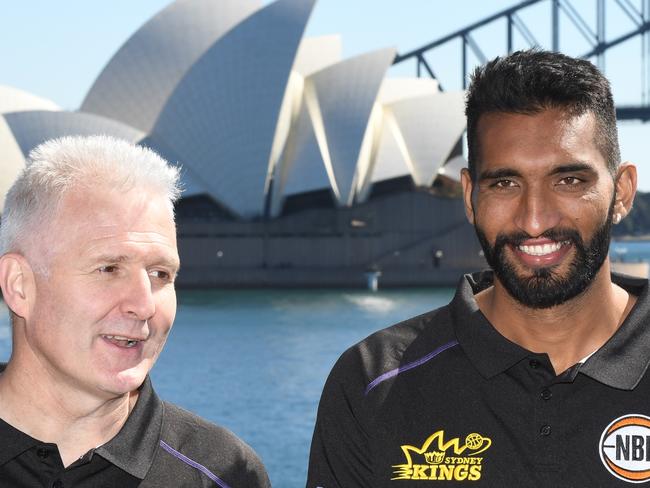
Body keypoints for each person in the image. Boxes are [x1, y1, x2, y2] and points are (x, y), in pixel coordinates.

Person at [306, 49, 646, 487]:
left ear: (621, 191)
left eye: (569, 181)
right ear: (469, 196)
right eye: (505, 183)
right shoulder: (373, 383)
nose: (535, 219)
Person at [0, 136, 270, 487]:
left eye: (161, 274)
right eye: (109, 268)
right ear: (20, 285)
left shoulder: (225, 474)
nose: (144, 306)